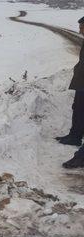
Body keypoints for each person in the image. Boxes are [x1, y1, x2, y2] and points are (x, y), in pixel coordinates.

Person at [61, 17, 84, 168]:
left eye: (82, 27)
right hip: (81, 83)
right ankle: (75, 136)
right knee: (78, 109)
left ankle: (82, 157)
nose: (79, 30)